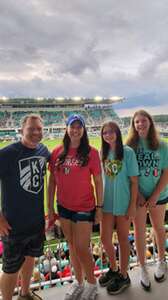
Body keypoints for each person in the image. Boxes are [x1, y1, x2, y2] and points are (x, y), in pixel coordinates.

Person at [48, 114, 103, 300]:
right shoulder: (56, 152)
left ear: (84, 129)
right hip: (63, 207)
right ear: (67, 128)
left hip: (84, 206)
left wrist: (99, 207)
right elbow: (52, 183)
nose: (75, 129)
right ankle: (78, 282)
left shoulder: (91, 152)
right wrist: (49, 207)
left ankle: (92, 283)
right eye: (72, 126)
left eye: (79, 126)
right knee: (71, 245)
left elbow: (98, 180)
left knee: (81, 247)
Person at [0, 114, 50, 300]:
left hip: (35, 222)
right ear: (21, 130)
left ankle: (25, 292)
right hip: (13, 225)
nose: (36, 132)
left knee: (31, 259)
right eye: (31, 129)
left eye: (39, 129)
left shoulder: (44, 150)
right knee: (11, 268)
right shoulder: (7, 153)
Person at [126, 109, 168, 291]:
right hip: (139, 197)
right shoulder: (130, 146)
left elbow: (167, 172)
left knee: (159, 228)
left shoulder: (162, 145)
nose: (140, 124)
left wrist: (155, 195)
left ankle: (161, 261)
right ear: (133, 126)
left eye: (143, 121)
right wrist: (140, 196)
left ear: (150, 122)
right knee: (139, 231)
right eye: (137, 122)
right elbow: (128, 174)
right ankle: (142, 266)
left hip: (159, 194)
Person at [98, 121, 139, 295]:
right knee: (104, 238)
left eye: (111, 132)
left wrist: (132, 206)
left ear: (117, 133)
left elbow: (134, 182)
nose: (108, 135)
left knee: (123, 239)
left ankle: (123, 275)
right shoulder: (102, 152)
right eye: (105, 132)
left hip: (123, 203)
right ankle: (114, 268)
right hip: (107, 203)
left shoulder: (127, 152)